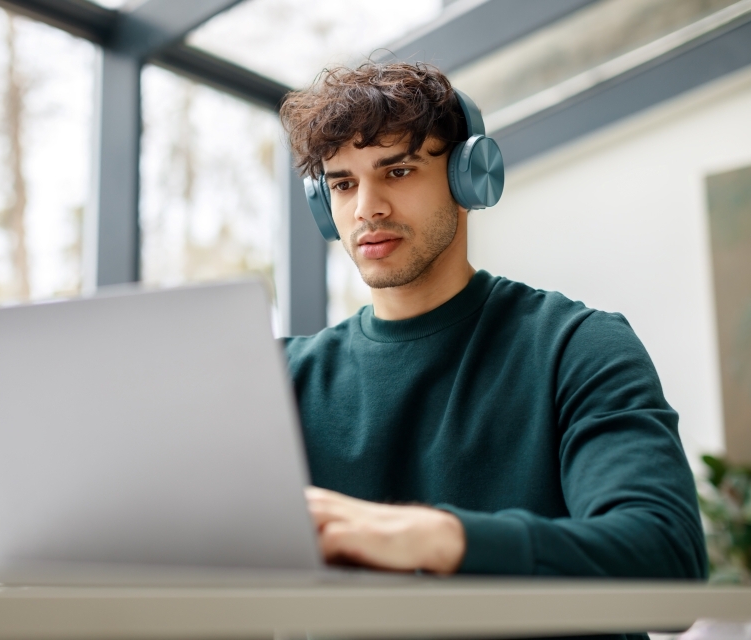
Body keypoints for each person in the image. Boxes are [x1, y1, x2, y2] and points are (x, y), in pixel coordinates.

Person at [278, 62, 707, 584]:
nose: (367, 209)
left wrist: (430, 537)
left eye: (398, 171)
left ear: (470, 178)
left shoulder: (576, 347)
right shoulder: (281, 379)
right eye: (343, 185)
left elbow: (663, 551)